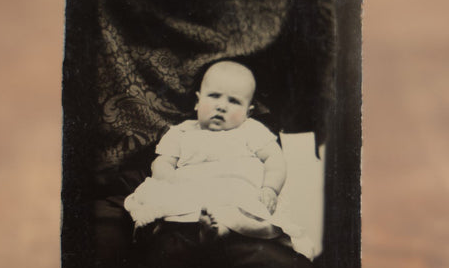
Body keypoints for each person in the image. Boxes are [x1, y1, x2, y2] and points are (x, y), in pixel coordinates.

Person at [124, 60, 314, 256]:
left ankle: (217, 231)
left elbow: (275, 161)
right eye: (214, 96)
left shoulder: (251, 130)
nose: (222, 106)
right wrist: (168, 179)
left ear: (248, 112)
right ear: (198, 101)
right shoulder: (180, 132)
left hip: (233, 189)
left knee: (248, 211)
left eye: (234, 101)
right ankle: (153, 226)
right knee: (153, 192)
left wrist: (270, 188)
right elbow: (163, 161)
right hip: (190, 188)